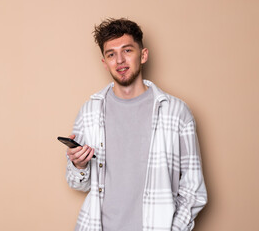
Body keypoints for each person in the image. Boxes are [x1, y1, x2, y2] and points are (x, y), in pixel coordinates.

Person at [65, 18, 207, 231]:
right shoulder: (89, 111)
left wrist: (174, 228)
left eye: (127, 50)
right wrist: (79, 165)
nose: (119, 60)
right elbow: (78, 183)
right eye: (111, 54)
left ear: (143, 55)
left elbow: (194, 189)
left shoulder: (176, 112)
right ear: (105, 62)